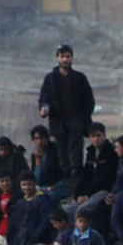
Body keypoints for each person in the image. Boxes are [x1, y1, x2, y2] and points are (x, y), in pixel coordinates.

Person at [37, 46, 95, 182]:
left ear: (72, 58)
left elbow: (89, 101)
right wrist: (44, 109)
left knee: (76, 158)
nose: (65, 60)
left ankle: (77, 185)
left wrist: (82, 120)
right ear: (58, 58)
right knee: (63, 159)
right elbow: (44, 98)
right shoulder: (50, 79)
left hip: (76, 123)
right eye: (62, 57)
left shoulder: (80, 78)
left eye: (68, 57)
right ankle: (69, 185)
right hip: (58, 124)